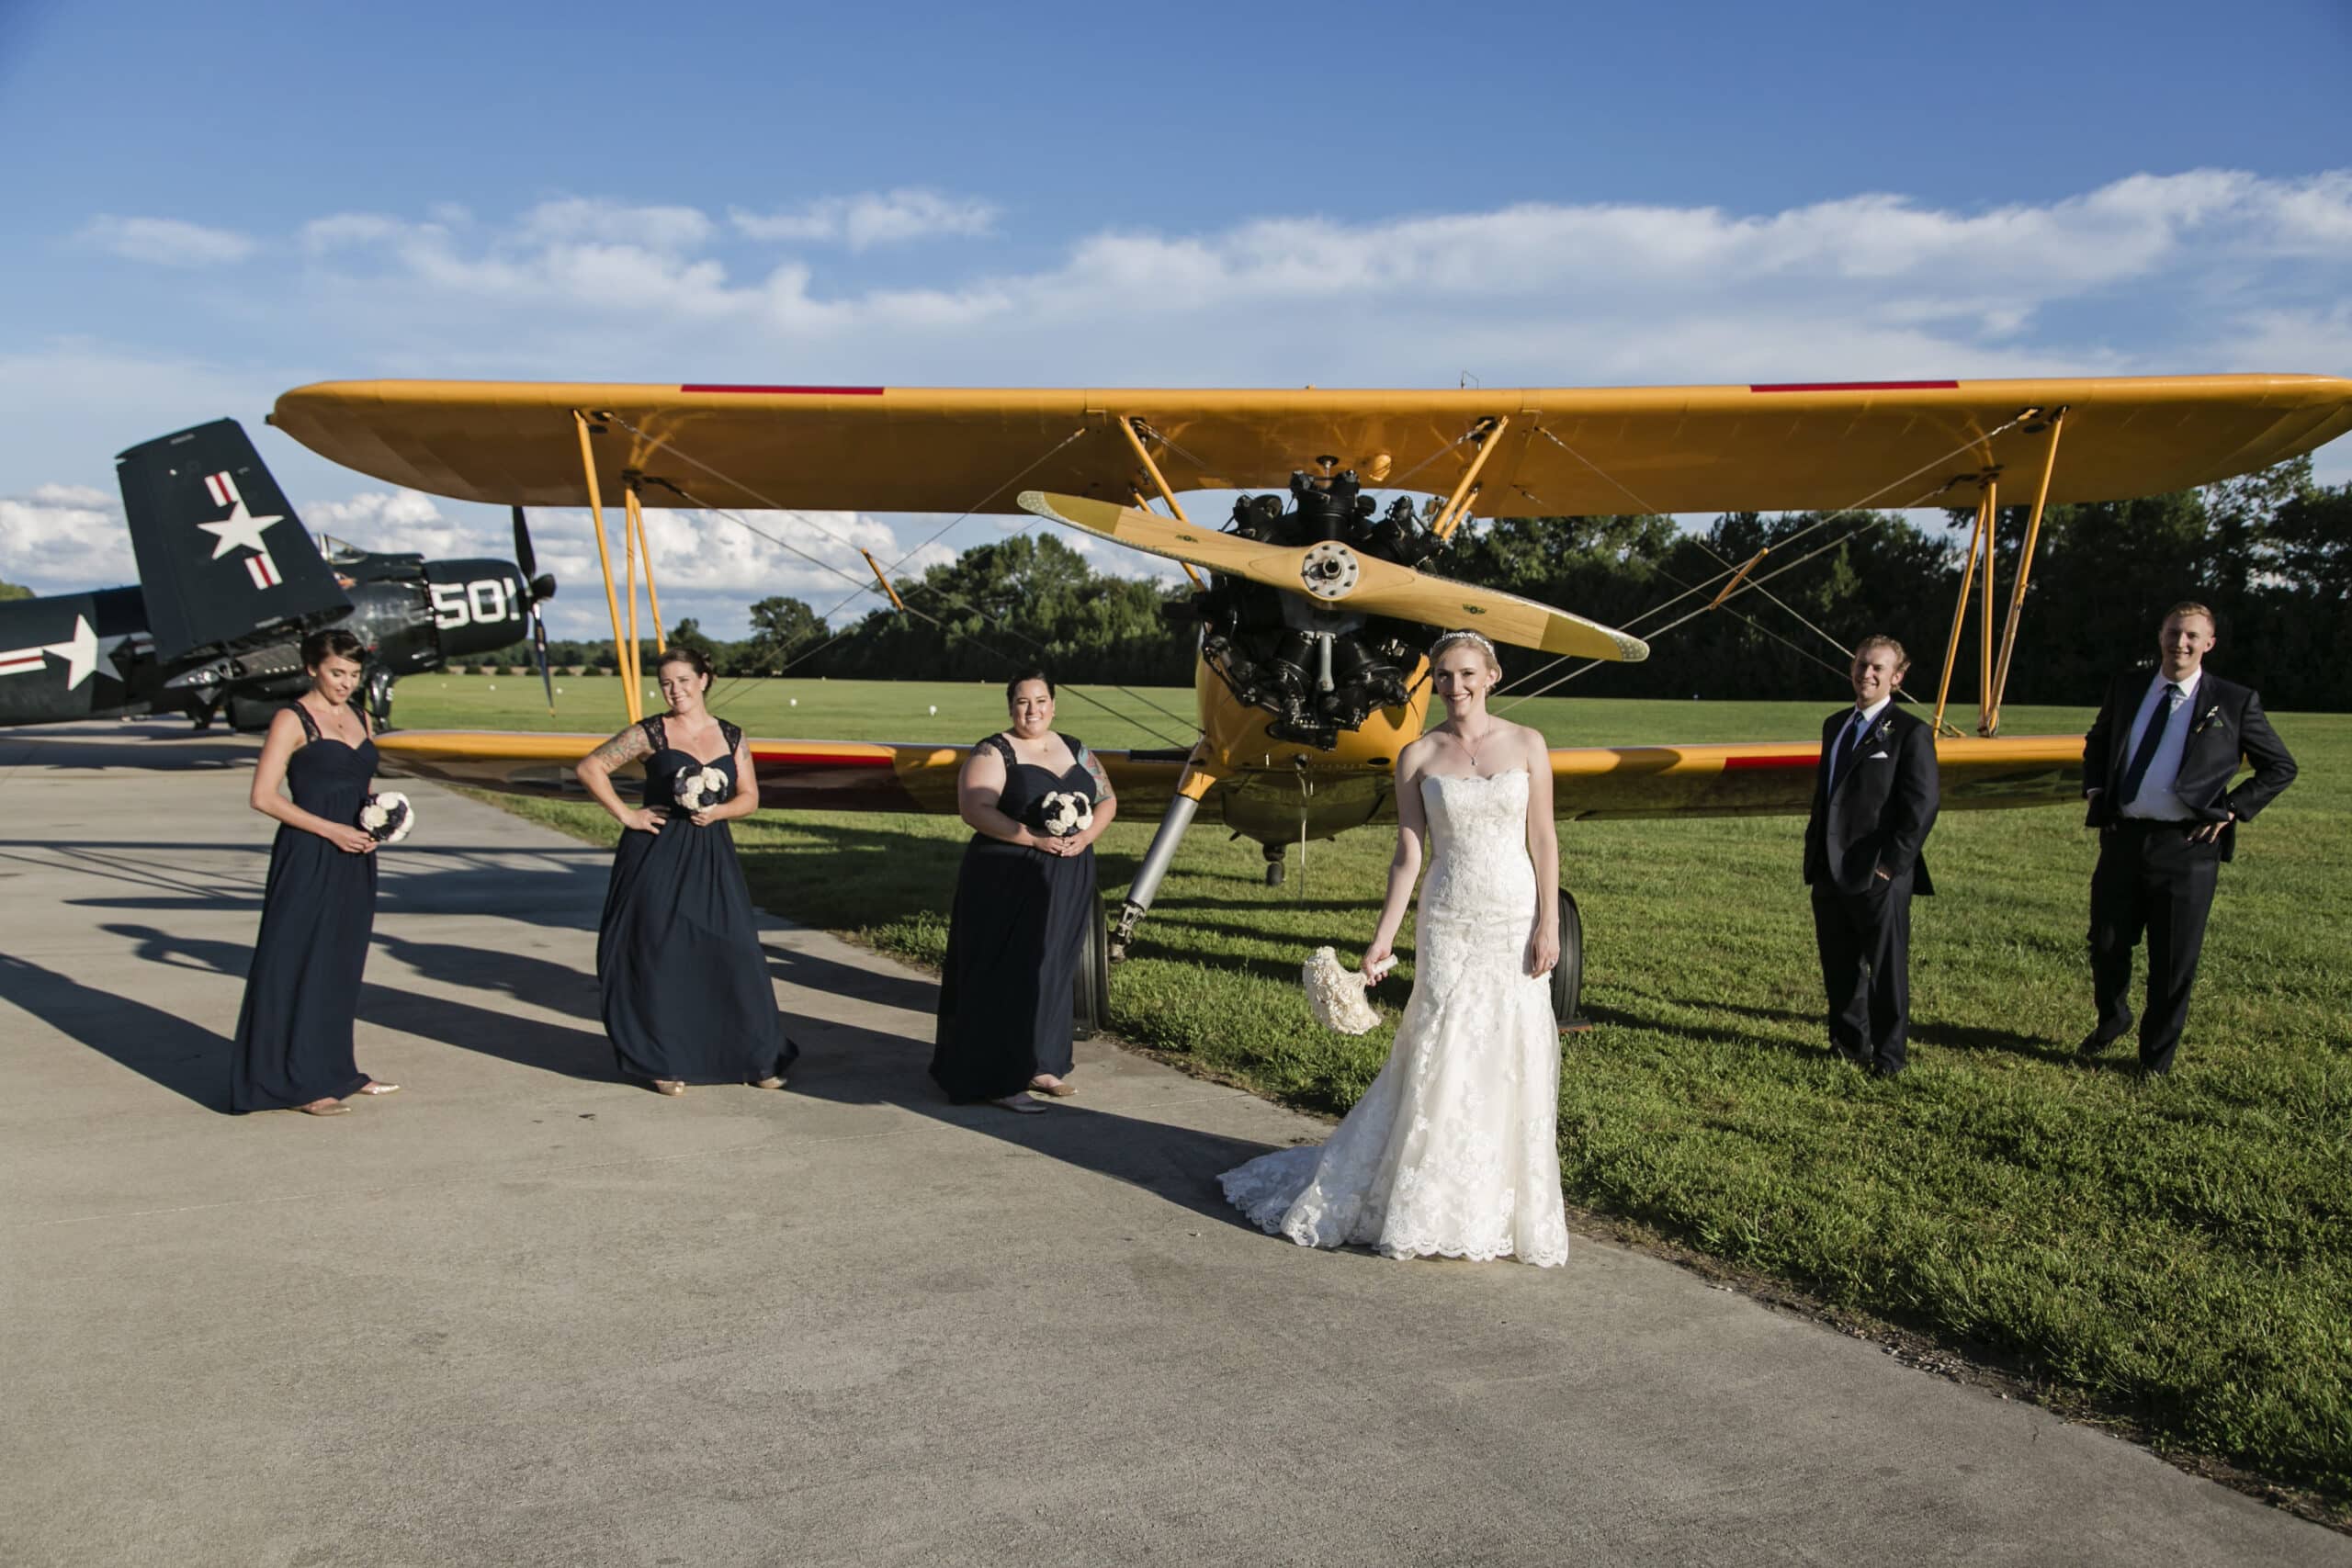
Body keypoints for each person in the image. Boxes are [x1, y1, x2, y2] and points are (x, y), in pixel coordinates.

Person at [1220, 629, 1569, 1266]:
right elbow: (1409, 855)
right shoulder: (1416, 756)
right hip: (1450, 919)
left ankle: (1500, 1201)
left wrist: (1549, 922)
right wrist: (1381, 942)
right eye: (1442, 674)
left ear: (1492, 675)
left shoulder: (1528, 744)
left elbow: (1543, 839)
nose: (1454, 685)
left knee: (1510, 1044)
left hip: (1512, 915)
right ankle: (1426, 1199)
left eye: (1466, 673)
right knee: (1441, 1046)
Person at [2079, 602, 2296, 1077]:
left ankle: (2154, 1061)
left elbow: (2280, 766)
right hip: (2123, 838)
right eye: (2174, 633)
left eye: (2192, 636)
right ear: (2160, 635)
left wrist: (2234, 808)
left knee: (2173, 960)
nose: (2181, 643)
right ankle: (2112, 1019)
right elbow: (2098, 740)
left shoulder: (2235, 701)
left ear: (2208, 644)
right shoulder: (2129, 686)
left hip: (2189, 847)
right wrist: (2096, 788)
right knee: (2106, 944)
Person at [577, 647, 796, 1095]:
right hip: (655, 851)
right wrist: (628, 816)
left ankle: (756, 1057)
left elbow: (750, 797)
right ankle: (662, 1060)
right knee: (660, 953)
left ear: (704, 680)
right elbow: (591, 767)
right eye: (666, 683)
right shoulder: (650, 733)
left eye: (682, 680)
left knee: (735, 951)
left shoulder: (733, 736)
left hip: (711, 850)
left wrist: (719, 813)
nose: (674, 691)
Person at [931, 671, 1117, 1112]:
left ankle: (1041, 1063)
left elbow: (1107, 798)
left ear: (1054, 703)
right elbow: (974, 809)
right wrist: (1032, 837)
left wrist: (1087, 838)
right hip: (1008, 874)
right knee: (1009, 972)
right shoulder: (994, 751)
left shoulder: (1075, 748)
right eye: (1021, 702)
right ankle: (998, 1077)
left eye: (1040, 700)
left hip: (1069, 874)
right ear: (1010, 706)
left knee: (1052, 967)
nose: (1031, 710)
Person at [230, 628, 398, 1115]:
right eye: (336, 673)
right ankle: (296, 1081)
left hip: (357, 855)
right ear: (311, 669)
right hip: (308, 853)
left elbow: (358, 788)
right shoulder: (292, 718)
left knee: (341, 964)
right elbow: (263, 797)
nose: (346, 683)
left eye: (353, 674)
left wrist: (385, 818)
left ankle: (338, 1070)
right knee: (296, 960)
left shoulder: (361, 716)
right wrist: (331, 831)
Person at [1802, 635, 1939, 1078]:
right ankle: (1846, 1043)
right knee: (1839, 965)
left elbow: (1921, 808)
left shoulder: (1912, 733)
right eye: (1862, 664)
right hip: (1830, 869)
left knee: (1886, 971)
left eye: (1878, 668)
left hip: (1878, 873)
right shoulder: (1835, 724)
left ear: (1896, 678)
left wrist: (1890, 866)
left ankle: (1889, 1055)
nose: (1867, 674)